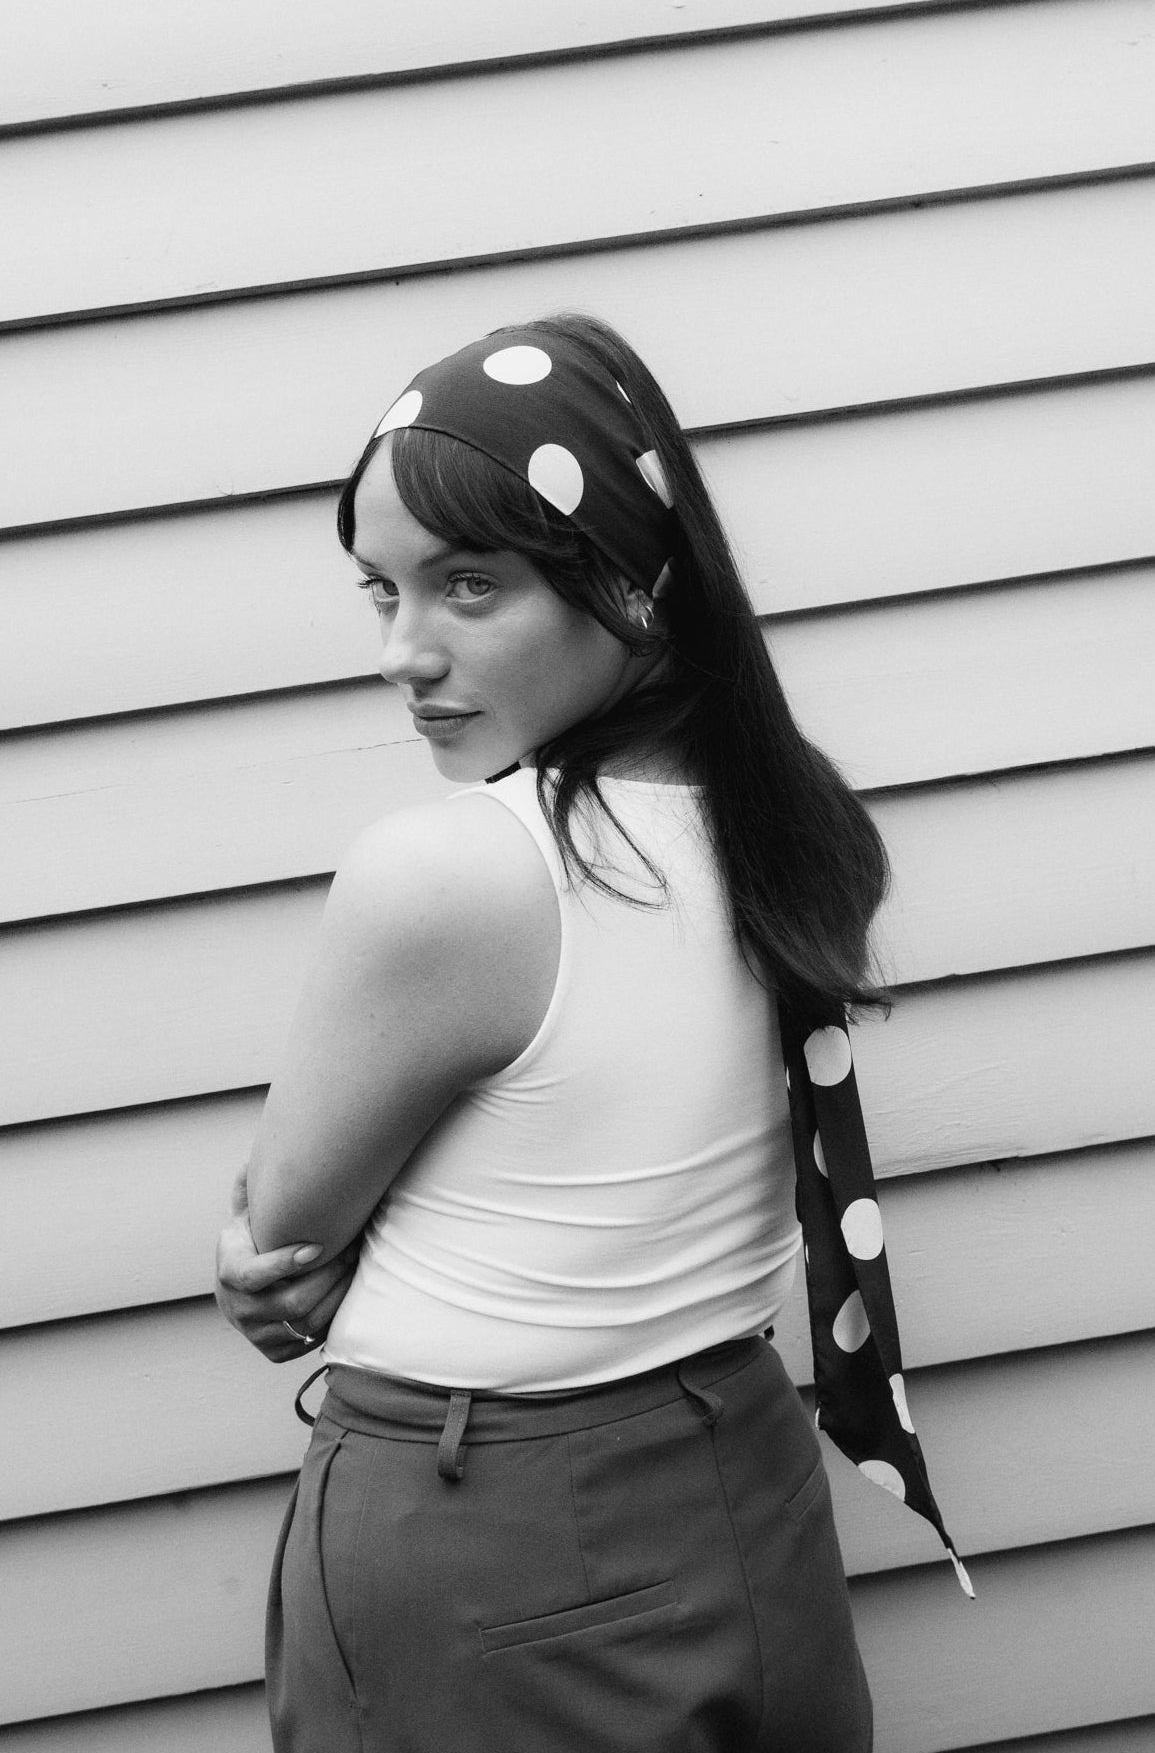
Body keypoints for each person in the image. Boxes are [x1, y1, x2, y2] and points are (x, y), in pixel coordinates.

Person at [215, 313, 962, 1753]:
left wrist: (268, 1259)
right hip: (743, 1475)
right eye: (382, 593)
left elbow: (284, 1235)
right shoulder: (795, 832)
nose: (405, 653)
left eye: (471, 587)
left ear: (626, 585)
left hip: (495, 1532)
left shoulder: (457, 876)